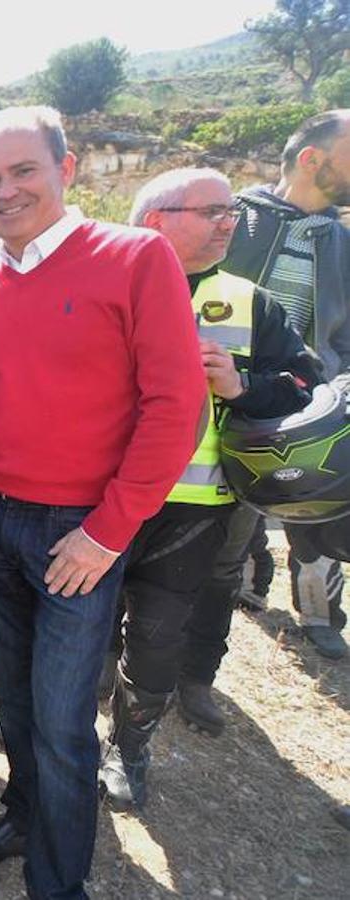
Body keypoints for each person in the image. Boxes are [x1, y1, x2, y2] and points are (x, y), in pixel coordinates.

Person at [0, 106, 206, 899]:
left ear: (65, 169)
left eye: (22, 170)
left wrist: (107, 532)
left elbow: (176, 405)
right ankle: (22, 819)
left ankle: (57, 883)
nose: (5, 190)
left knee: (61, 723)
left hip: (78, 534)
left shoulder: (135, 258)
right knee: (13, 699)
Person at [95, 168, 322, 809]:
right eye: (213, 211)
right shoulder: (101, 284)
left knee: (157, 636)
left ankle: (128, 751)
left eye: (231, 212)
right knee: (81, 626)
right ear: (155, 219)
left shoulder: (249, 303)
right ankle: (62, 728)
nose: (231, 223)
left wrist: (243, 388)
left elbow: (307, 387)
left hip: (193, 509)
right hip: (99, 499)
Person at [193, 109, 350, 662]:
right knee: (227, 531)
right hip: (227, 400)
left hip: (312, 403)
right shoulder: (236, 220)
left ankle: (321, 614)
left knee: (320, 515)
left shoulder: (342, 243)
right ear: (312, 158)